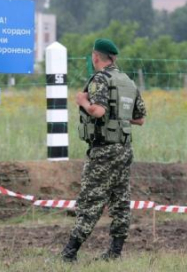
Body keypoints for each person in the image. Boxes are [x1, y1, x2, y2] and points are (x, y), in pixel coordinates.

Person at [61, 38, 146, 262]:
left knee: (91, 199)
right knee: (120, 200)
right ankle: (115, 252)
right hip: (124, 149)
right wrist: (118, 116)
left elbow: (97, 111)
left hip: (104, 150)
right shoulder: (127, 80)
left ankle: (70, 253)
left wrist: (82, 102)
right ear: (113, 57)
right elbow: (140, 118)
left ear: (95, 57)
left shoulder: (100, 79)